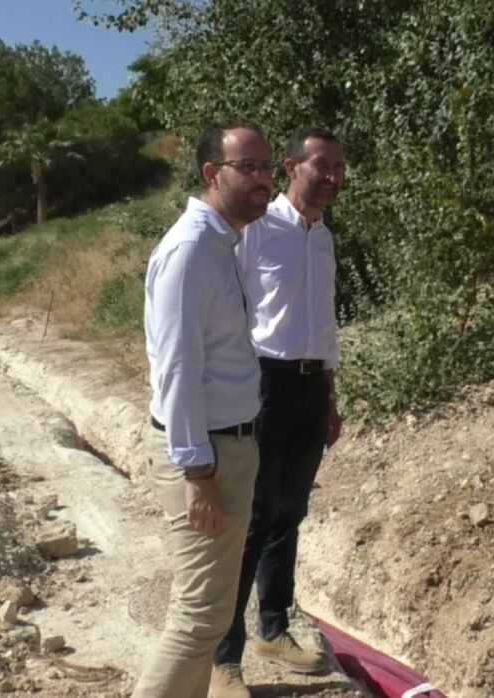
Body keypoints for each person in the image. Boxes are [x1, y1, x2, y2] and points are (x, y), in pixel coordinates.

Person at [136, 123, 274, 698]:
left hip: (228, 446)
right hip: (207, 455)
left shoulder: (223, 243)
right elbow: (176, 371)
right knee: (197, 620)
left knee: (209, 618)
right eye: (249, 168)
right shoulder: (191, 249)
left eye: (268, 167)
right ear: (212, 174)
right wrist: (197, 473)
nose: (264, 180)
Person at [211, 127, 345, 697]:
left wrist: (331, 396)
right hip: (265, 386)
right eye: (323, 165)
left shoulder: (324, 239)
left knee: (289, 514)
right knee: (251, 519)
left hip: (312, 390)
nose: (334, 176)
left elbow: (325, 322)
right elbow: (228, 307)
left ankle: (272, 629)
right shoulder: (257, 230)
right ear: (293, 167)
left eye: (339, 168)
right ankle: (223, 658)